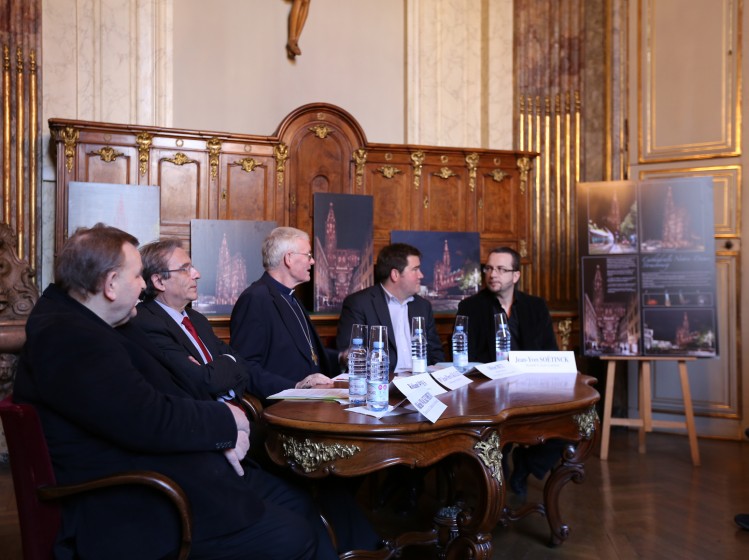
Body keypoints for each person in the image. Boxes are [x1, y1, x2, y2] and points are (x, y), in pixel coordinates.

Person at [12, 223, 346, 559]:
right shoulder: (71, 336)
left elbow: (168, 394)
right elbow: (148, 418)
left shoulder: (92, 324)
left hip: (172, 471)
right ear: (111, 284)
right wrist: (226, 423)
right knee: (293, 535)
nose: (144, 287)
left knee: (296, 503)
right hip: (137, 506)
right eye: (138, 276)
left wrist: (215, 438)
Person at [457, 246, 562, 498]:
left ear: (515, 276)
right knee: (494, 443)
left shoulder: (536, 307)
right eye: (489, 268)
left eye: (501, 269)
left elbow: (550, 350)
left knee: (566, 429)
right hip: (487, 392)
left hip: (532, 389)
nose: (493, 274)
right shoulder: (470, 307)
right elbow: (465, 360)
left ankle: (526, 465)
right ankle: (496, 482)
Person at [130, 238, 256, 403]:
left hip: (232, 411)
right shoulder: (146, 322)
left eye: (192, 268)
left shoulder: (197, 319)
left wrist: (226, 363)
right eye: (184, 269)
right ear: (159, 281)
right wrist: (227, 364)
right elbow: (203, 383)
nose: (197, 274)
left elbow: (241, 364)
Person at [230, 227, 337, 398]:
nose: (313, 261)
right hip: (282, 410)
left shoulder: (290, 296)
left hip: (312, 403)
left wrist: (342, 358)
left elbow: (308, 353)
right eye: (308, 255)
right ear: (288, 258)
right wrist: (295, 387)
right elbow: (245, 368)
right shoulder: (255, 299)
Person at [336, 243, 445, 373]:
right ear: (395, 274)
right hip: (382, 384)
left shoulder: (423, 306)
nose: (421, 275)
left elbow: (435, 354)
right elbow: (350, 356)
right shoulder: (359, 303)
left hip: (421, 383)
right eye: (415, 269)